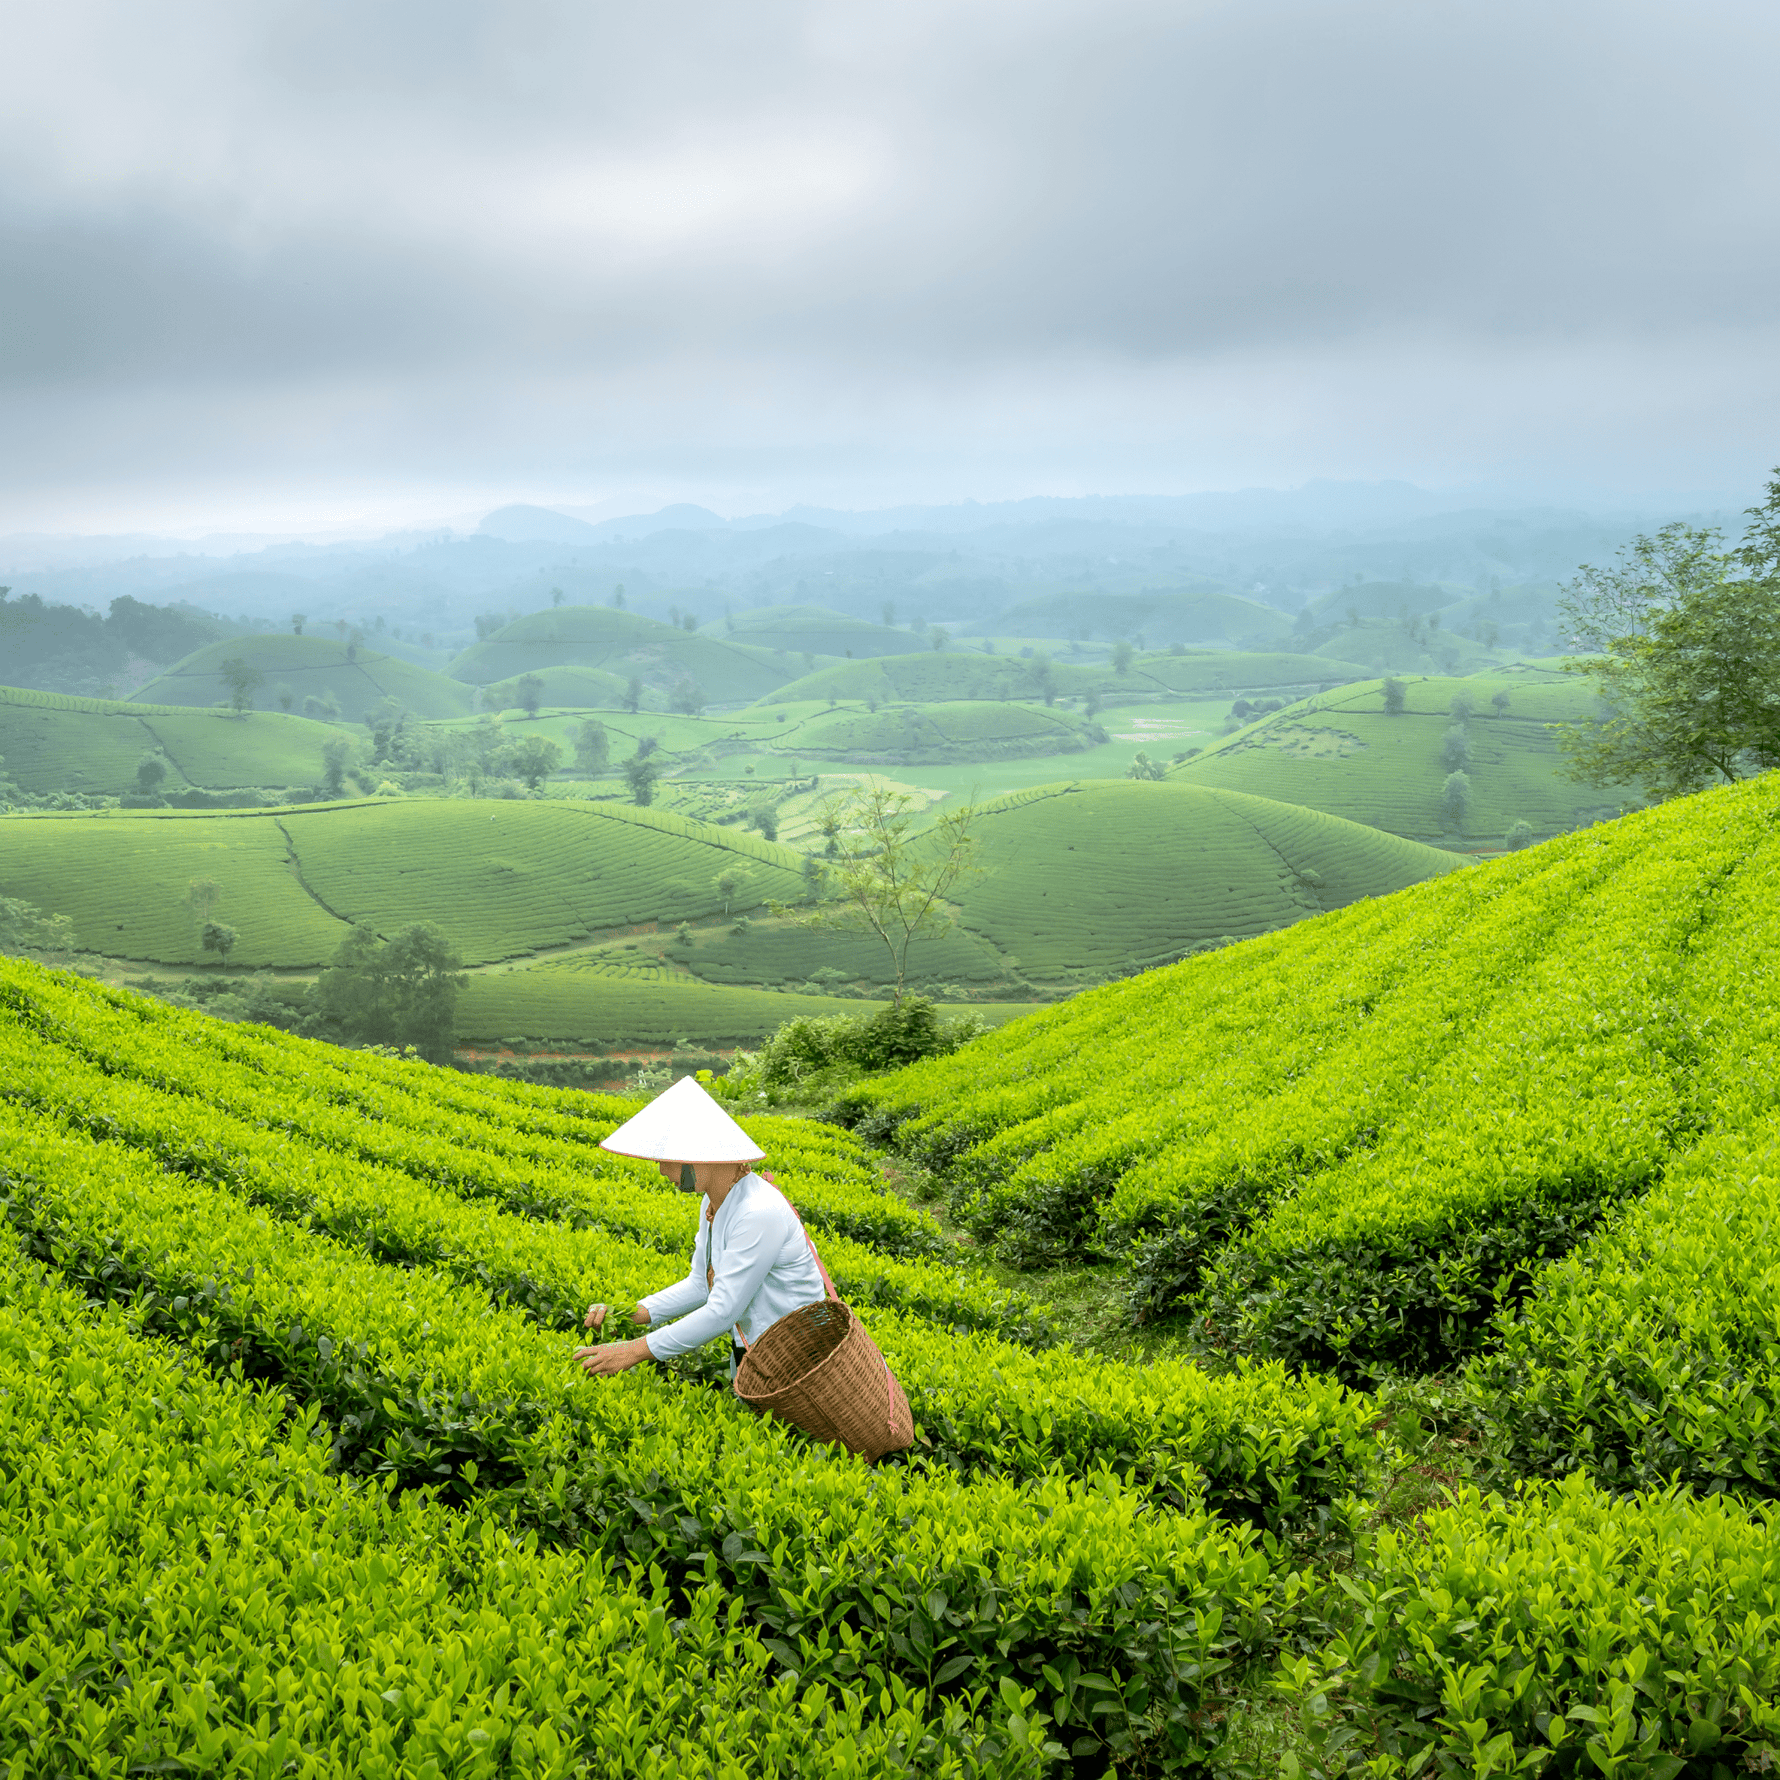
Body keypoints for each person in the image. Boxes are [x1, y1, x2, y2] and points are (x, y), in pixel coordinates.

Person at [575, 1075, 826, 1380]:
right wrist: (629, 1313)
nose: (663, 1170)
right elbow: (700, 1284)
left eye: (670, 1159)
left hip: (798, 1359)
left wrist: (635, 1350)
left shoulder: (758, 1212)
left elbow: (723, 1311)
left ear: (703, 1156)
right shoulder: (713, 1203)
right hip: (757, 1350)